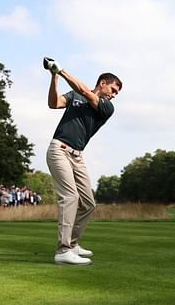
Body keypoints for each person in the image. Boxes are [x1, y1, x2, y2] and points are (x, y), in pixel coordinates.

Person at [43, 57, 122, 265]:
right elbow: (54, 103)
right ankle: (63, 250)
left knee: (88, 203)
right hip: (59, 150)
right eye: (113, 90)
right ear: (102, 83)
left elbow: (87, 92)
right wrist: (54, 77)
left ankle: (73, 244)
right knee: (70, 196)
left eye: (116, 94)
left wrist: (61, 71)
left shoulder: (106, 107)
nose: (113, 96)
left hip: (77, 156)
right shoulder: (75, 94)